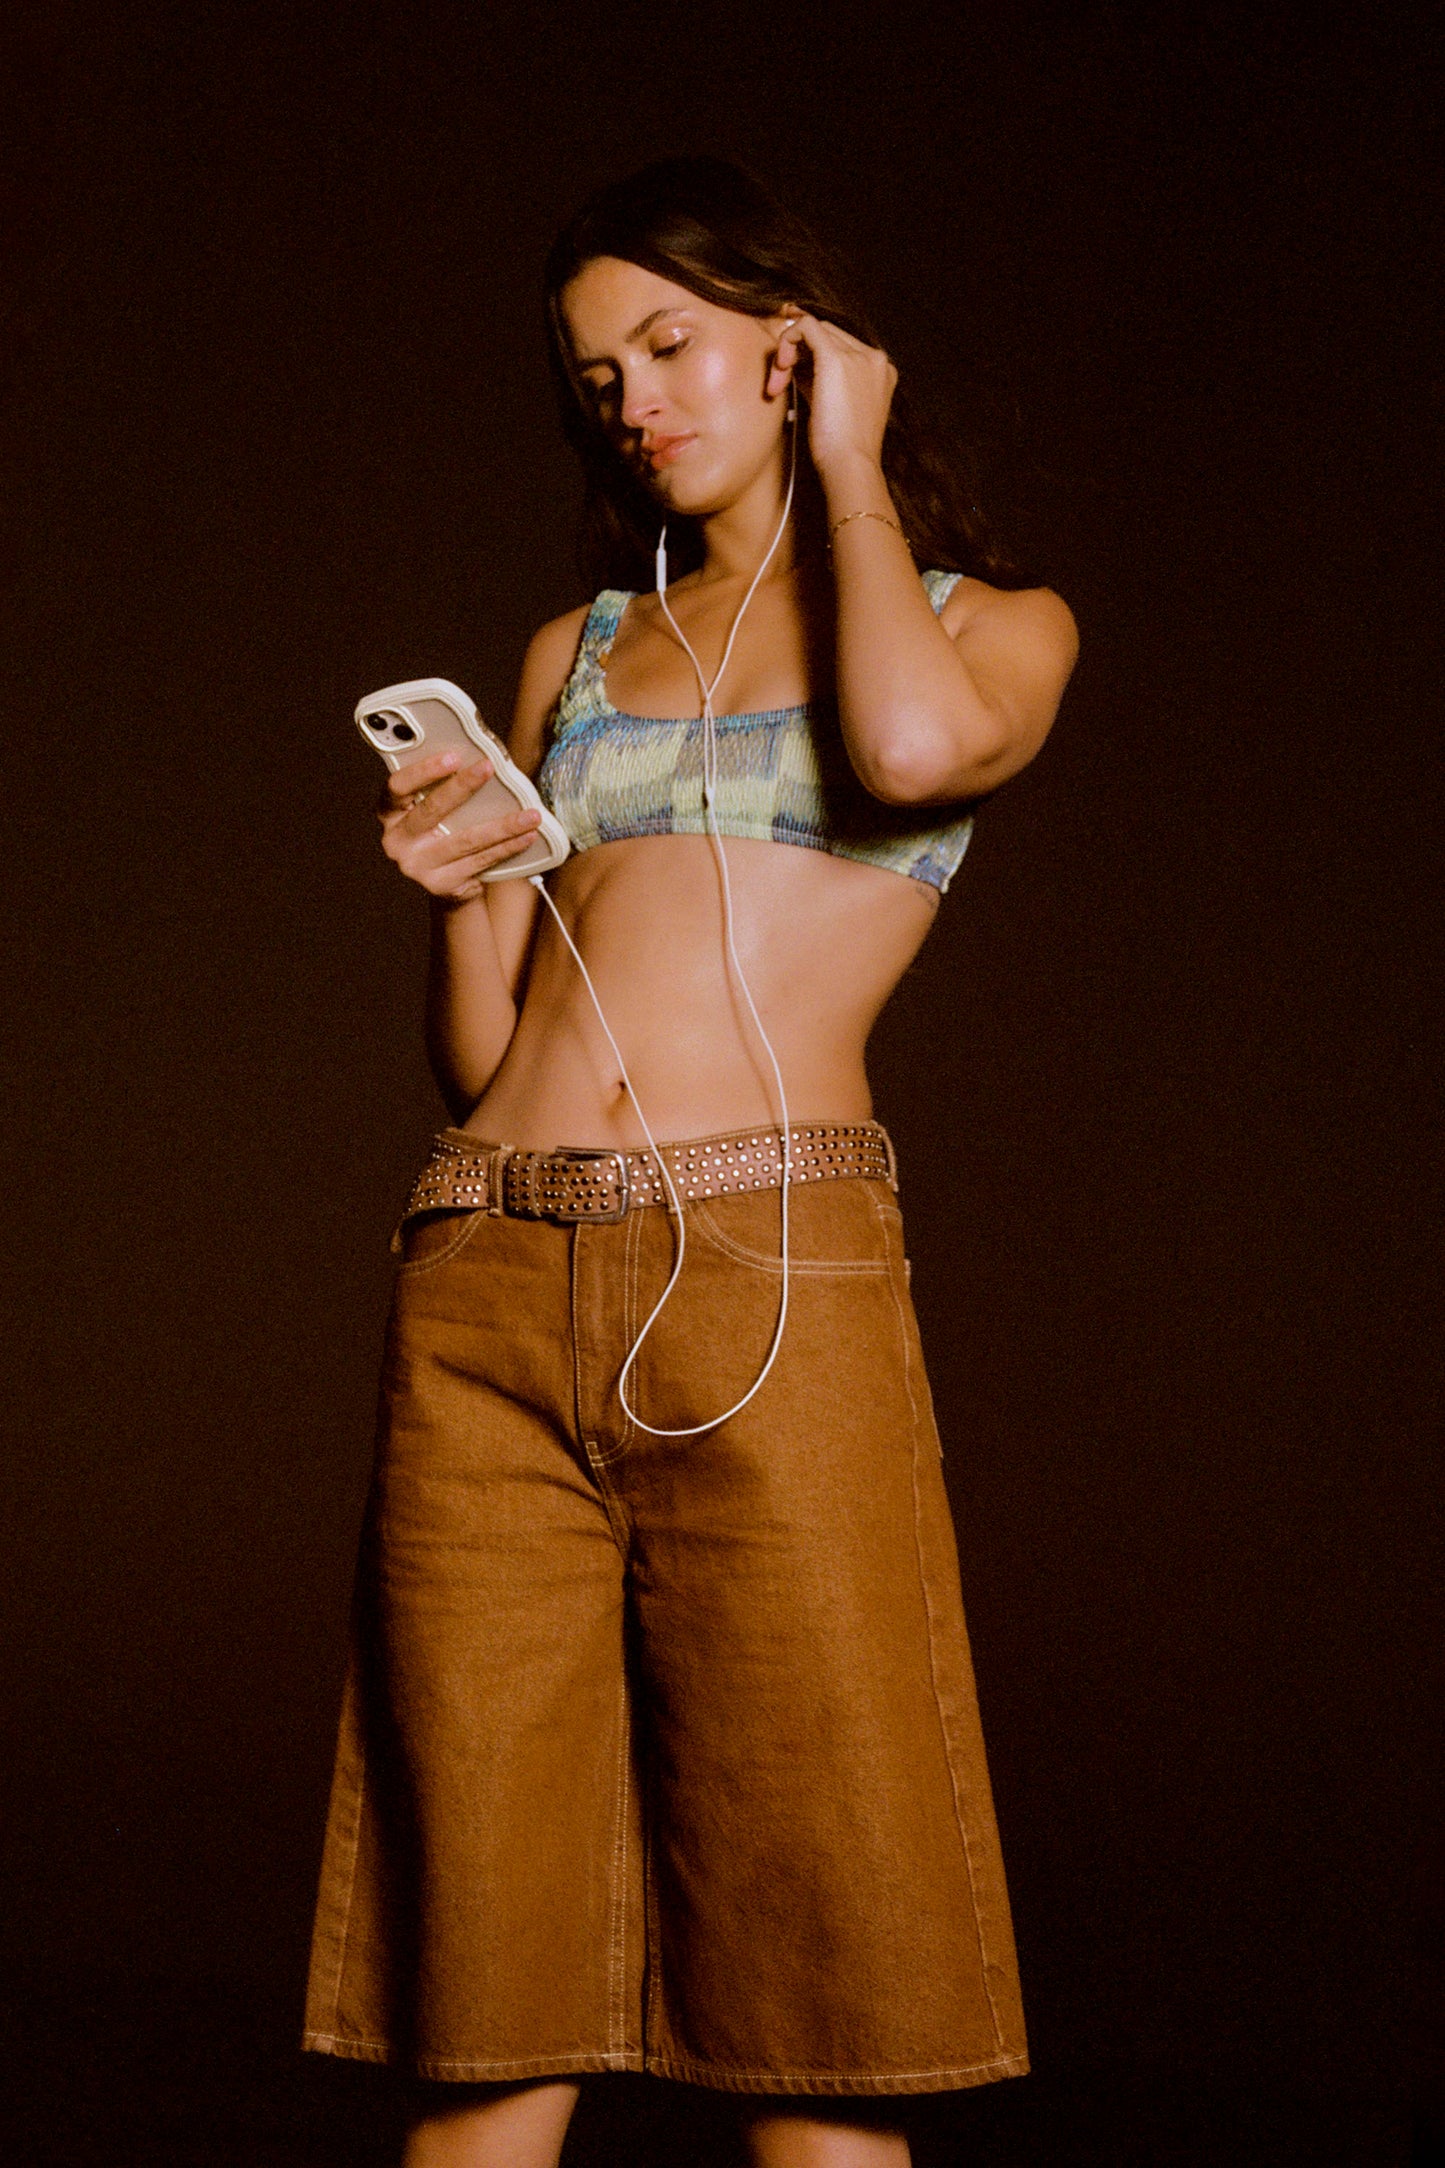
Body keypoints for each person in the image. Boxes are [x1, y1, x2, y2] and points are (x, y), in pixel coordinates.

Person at [303, 157, 1077, 2168]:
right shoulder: (575, 646)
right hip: (483, 1271)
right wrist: (457, 878)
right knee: (487, 1987)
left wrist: (853, 468)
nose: (633, 394)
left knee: (818, 1992)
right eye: (597, 372)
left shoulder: (990, 625)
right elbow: (490, 1049)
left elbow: (908, 754)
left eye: (670, 343)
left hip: (765, 1267)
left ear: (798, 348)